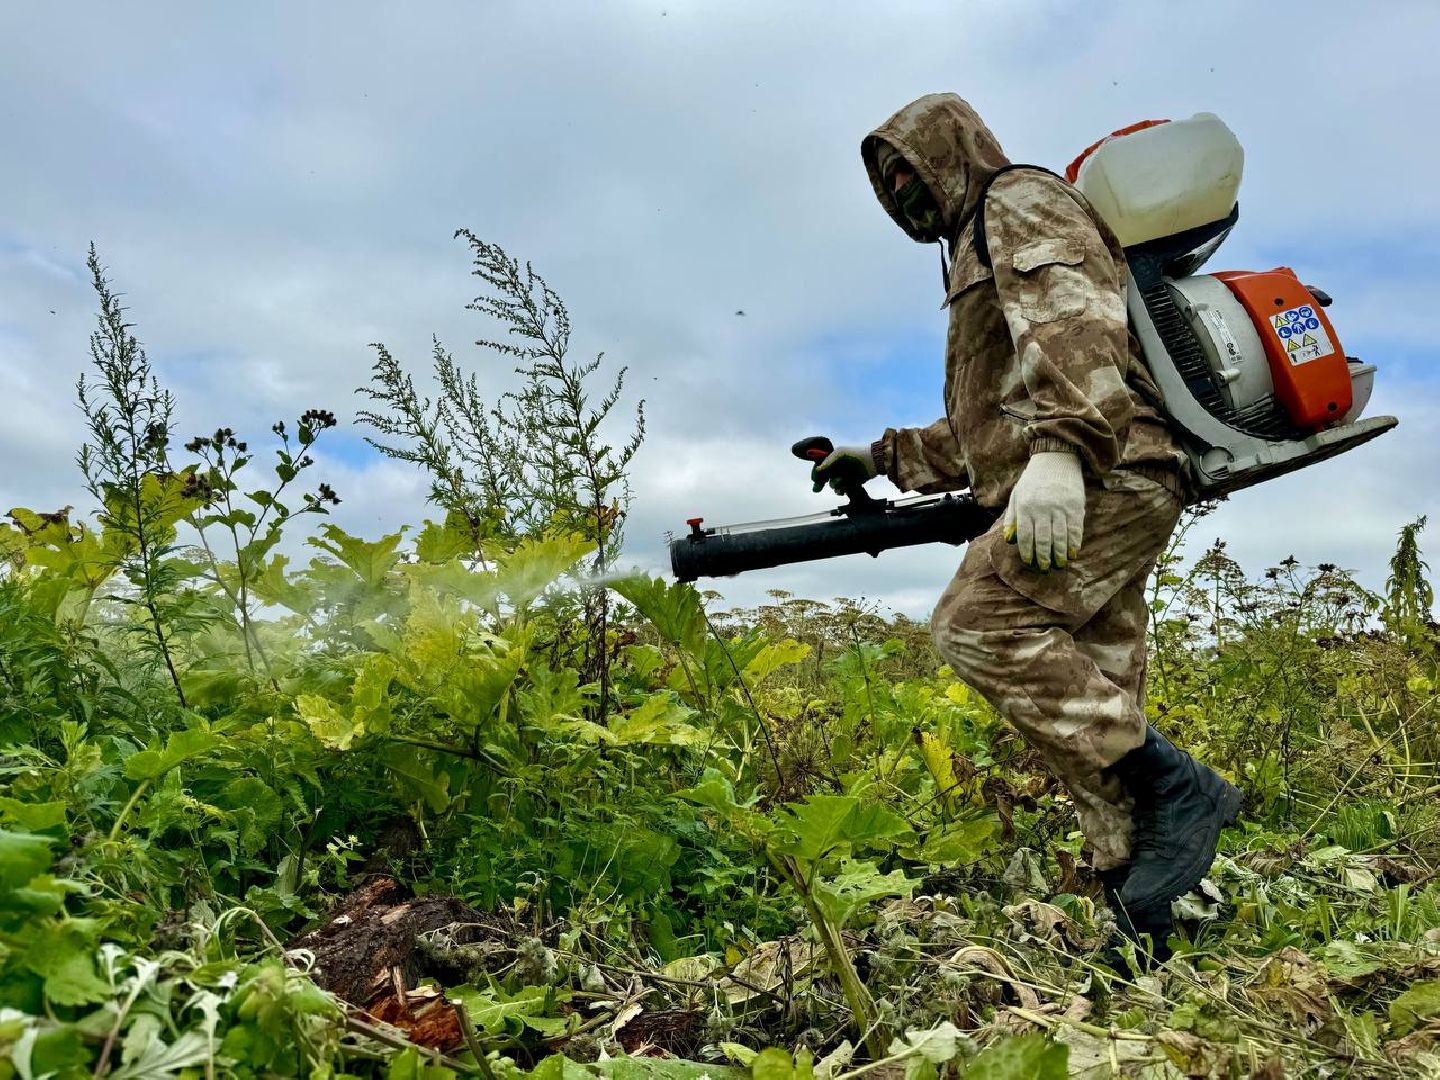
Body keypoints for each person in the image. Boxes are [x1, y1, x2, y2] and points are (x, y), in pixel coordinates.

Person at [812, 93, 1242, 961]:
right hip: (1082, 482)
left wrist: (1062, 453)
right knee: (1096, 700)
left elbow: (1074, 318)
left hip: (1101, 475)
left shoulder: (1018, 200)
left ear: (953, 151)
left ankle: (1182, 788)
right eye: (885, 182)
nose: (901, 190)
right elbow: (984, 430)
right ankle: (1148, 922)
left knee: (978, 625)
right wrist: (879, 455)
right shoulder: (970, 246)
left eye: (909, 167)